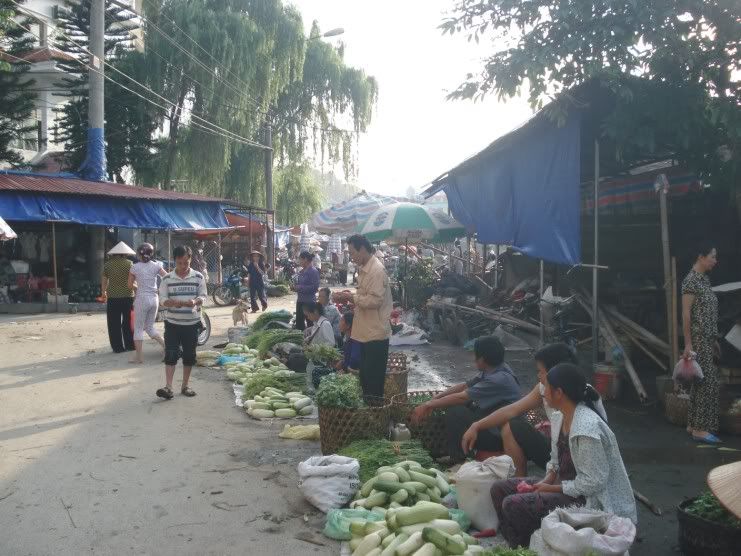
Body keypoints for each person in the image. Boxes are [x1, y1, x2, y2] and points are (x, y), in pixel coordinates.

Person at [490, 363, 636, 549]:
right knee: (499, 489)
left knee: (512, 504)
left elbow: (593, 483)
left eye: (546, 387)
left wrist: (551, 489)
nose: (543, 392)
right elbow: (554, 460)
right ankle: (517, 545)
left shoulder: (586, 429)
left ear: (559, 393)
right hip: (565, 487)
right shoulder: (559, 416)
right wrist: (546, 481)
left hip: (588, 501)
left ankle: (530, 547)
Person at [461, 343, 583, 476]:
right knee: (512, 427)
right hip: (556, 455)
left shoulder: (581, 399)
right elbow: (511, 410)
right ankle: (519, 482)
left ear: (555, 372)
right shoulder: (543, 388)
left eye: (541, 371)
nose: (538, 376)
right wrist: (477, 425)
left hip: (578, 462)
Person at [411, 336, 522, 463]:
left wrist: (428, 405)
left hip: (500, 436)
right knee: (465, 405)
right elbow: (464, 386)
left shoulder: (498, 379)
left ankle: (458, 459)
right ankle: (457, 452)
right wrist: (435, 398)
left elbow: (461, 397)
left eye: (475, 355)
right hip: (492, 422)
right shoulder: (495, 368)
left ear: (482, 359)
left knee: (456, 412)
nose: (473, 359)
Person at [681, 241, 721, 444]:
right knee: (707, 383)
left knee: (700, 382)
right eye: (712, 256)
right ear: (701, 256)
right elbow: (686, 314)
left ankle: (692, 425)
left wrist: (714, 339)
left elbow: (708, 312)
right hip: (697, 340)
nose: (715, 260)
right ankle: (700, 430)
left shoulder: (704, 280)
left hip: (707, 338)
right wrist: (688, 344)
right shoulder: (691, 281)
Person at [156, 245, 207, 399]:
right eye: (180, 263)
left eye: (186, 263)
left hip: (192, 324)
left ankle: (185, 386)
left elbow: (203, 296)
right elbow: (162, 299)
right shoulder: (167, 278)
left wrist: (195, 301)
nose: (183, 266)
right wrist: (171, 303)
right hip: (172, 323)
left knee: (189, 356)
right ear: (174, 261)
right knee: (171, 354)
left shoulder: (198, 277)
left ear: (190, 260)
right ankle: (168, 387)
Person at [347, 234, 393, 402]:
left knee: (373, 382)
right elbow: (365, 295)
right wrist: (352, 298)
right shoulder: (365, 268)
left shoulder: (376, 270)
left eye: (352, 253)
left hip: (376, 334)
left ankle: (375, 413)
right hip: (366, 333)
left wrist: (352, 298)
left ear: (362, 249)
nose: (351, 257)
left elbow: (375, 301)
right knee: (366, 378)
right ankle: (370, 411)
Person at [128, 243, 166, 364]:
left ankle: (139, 357)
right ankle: (166, 346)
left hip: (142, 299)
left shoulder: (135, 267)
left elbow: (129, 285)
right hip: (154, 299)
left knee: (138, 328)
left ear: (139, 254)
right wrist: (160, 289)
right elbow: (167, 277)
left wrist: (137, 287)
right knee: (149, 327)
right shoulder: (156, 265)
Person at [102, 241, 136, 353]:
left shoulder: (107, 265)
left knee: (113, 323)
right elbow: (133, 280)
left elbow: (104, 280)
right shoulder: (130, 264)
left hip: (113, 297)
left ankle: (117, 347)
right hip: (128, 297)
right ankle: (130, 345)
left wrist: (103, 292)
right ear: (125, 253)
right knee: (128, 322)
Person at [292, 251, 320, 331]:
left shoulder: (313, 271)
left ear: (305, 259)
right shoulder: (301, 271)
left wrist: (300, 287)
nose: (299, 261)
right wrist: (294, 287)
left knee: (310, 324)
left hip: (309, 302)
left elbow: (315, 287)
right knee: (299, 325)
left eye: (300, 259)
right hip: (300, 300)